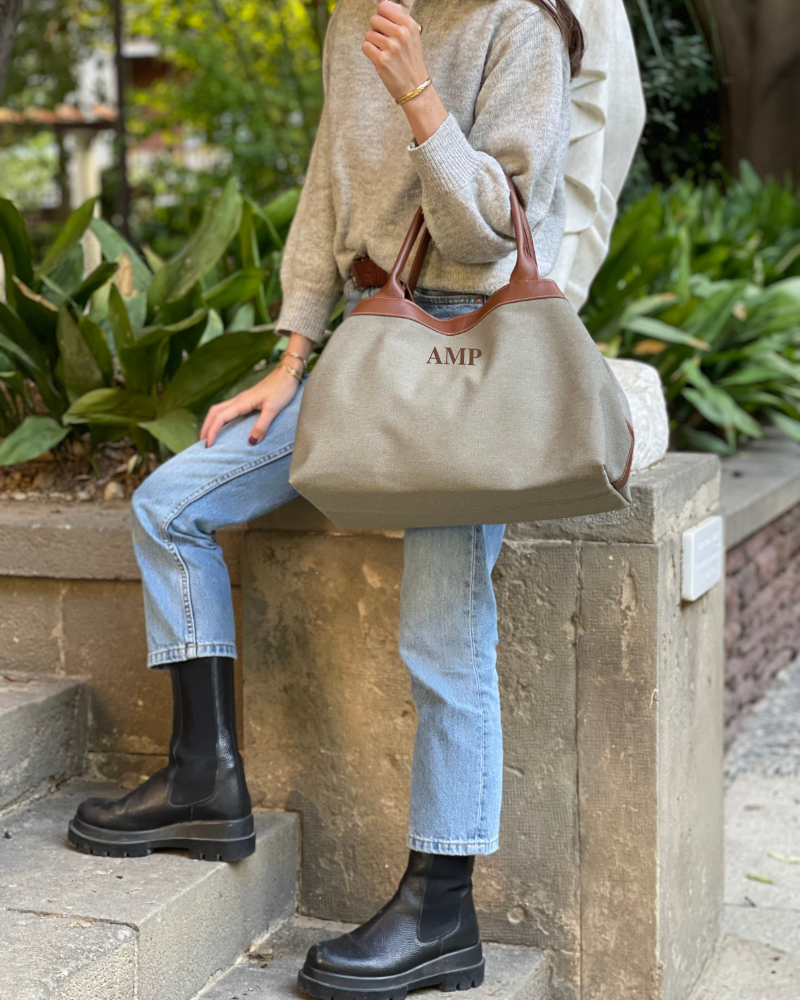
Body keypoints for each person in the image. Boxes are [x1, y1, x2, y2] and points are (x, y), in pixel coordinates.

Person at [67, 1, 582, 996]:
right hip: (365, 347)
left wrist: (419, 98)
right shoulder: (360, 11)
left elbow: (487, 232)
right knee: (172, 505)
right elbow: (324, 185)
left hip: (464, 358)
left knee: (441, 637)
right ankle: (203, 777)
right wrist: (289, 352)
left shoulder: (515, 26)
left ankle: (440, 910)